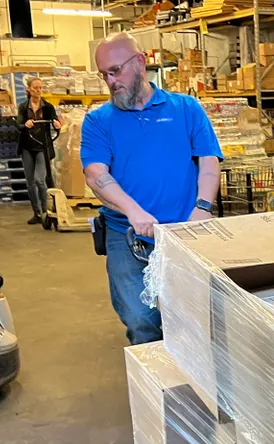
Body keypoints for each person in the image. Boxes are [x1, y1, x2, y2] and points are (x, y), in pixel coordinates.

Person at [81, 33, 222, 345]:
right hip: (127, 236)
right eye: (103, 74)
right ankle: (157, 383)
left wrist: (202, 208)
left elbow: (209, 163)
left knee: (194, 316)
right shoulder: (98, 121)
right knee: (140, 319)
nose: (110, 81)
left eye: (115, 70)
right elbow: (95, 174)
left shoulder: (186, 109)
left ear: (140, 62)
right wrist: (133, 211)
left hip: (185, 232)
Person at [17, 77, 62, 224]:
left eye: (40, 88)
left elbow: (56, 122)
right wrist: (26, 124)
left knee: (40, 180)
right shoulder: (23, 107)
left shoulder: (48, 107)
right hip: (27, 146)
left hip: (42, 146)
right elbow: (18, 124)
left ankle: (45, 212)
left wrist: (57, 124)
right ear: (29, 89)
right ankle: (36, 212)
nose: (38, 90)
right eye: (35, 88)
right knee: (30, 182)